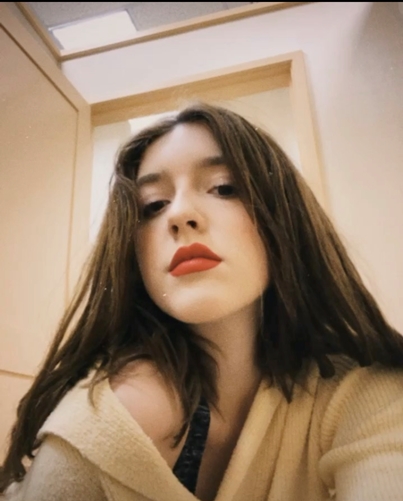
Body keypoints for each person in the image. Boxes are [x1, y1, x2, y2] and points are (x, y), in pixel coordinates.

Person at [1, 102, 403, 501]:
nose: (180, 214)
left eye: (224, 187)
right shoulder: (111, 411)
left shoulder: (361, 395)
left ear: (284, 217)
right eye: (153, 205)